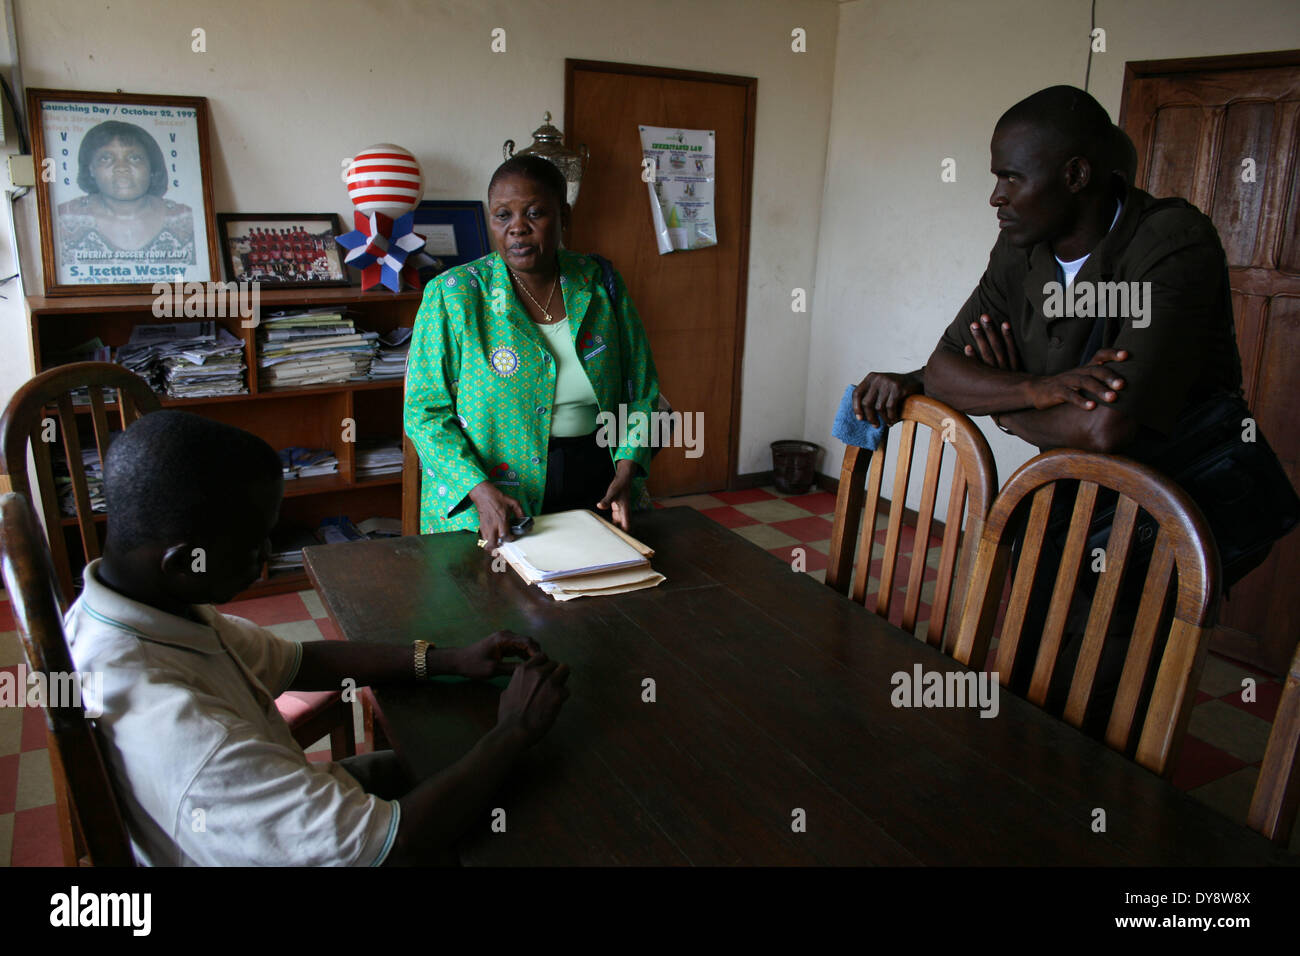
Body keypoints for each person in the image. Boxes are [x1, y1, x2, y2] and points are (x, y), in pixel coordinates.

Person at [852, 85, 1245, 728]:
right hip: (1062, 502)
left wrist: (1000, 407)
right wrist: (1035, 390)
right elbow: (949, 366)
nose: (995, 196)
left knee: (1111, 714)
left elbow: (1102, 425)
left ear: (1076, 174)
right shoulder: (1021, 247)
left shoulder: (1170, 241)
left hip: (1161, 518)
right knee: (1029, 675)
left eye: (1011, 176)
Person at [65, 410, 570, 865]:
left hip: (269, 824)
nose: (266, 556)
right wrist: (514, 732)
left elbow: (298, 662)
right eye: (252, 546)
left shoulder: (135, 609)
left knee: (453, 762)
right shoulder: (192, 740)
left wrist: (449, 660)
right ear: (180, 563)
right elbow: (391, 846)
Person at [405, 154, 661, 546]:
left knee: (601, 597)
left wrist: (628, 468)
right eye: (502, 216)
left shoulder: (599, 284)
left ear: (564, 216)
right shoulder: (454, 296)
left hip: (599, 484)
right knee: (499, 604)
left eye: (535, 213)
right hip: (496, 497)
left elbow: (643, 391)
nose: (517, 229)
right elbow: (424, 411)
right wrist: (477, 489)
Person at [56, 121, 196, 274]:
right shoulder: (63, 218)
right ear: (91, 169)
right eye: (106, 158)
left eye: (134, 158)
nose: (121, 167)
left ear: (152, 168)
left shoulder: (186, 219)